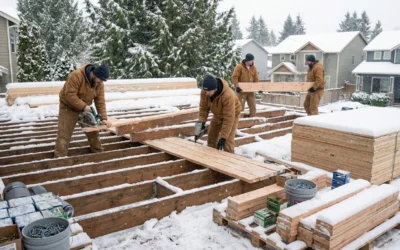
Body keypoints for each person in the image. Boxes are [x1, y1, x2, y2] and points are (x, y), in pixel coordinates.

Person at [54, 64, 113, 158]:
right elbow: (69, 95)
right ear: (94, 74)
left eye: (103, 81)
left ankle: (98, 154)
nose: (101, 83)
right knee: (64, 134)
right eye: (100, 80)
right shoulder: (76, 76)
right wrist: (84, 106)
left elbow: (100, 101)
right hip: (68, 106)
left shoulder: (99, 84)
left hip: (85, 107)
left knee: (93, 131)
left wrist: (103, 118)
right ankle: (59, 157)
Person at [198, 75, 241, 153]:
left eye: (208, 91)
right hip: (218, 114)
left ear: (215, 89)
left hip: (233, 114)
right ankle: (211, 157)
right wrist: (201, 122)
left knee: (227, 141)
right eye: (205, 91)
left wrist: (223, 137)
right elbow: (203, 109)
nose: (206, 93)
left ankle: (228, 160)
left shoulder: (228, 96)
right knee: (211, 136)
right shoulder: (204, 93)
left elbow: (229, 118)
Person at [232, 53, 259, 117]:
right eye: (251, 60)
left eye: (253, 60)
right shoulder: (239, 67)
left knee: (253, 106)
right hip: (241, 91)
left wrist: (258, 87)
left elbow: (256, 78)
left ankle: (252, 120)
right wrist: (237, 87)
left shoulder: (254, 68)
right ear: (247, 60)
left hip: (250, 91)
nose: (252, 61)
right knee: (240, 107)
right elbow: (234, 77)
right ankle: (238, 121)